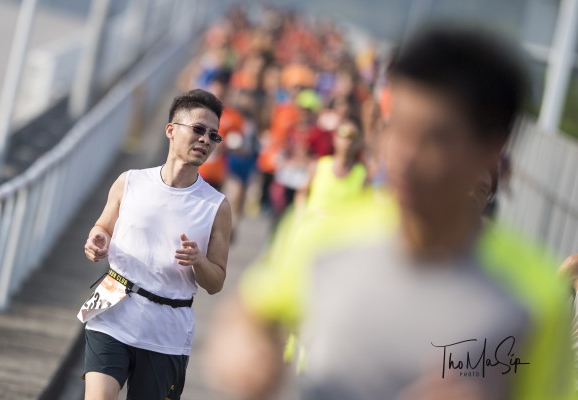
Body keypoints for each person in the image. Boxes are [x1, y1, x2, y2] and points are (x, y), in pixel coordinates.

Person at [204, 26, 574, 400]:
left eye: (434, 139)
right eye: (398, 129)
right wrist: (246, 350)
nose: (405, 157)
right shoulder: (329, 233)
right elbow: (252, 314)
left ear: (491, 150)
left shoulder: (535, 297)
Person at [80, 89, 232, 400]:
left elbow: (216, 282)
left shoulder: (216, 206)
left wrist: (199, 261)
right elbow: (102, 227)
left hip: (166, 332)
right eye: (198, 129)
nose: (205, 140)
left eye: (213, 135)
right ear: (171, 130)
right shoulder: (130, 181)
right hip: (112, 311)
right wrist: (97, 239)